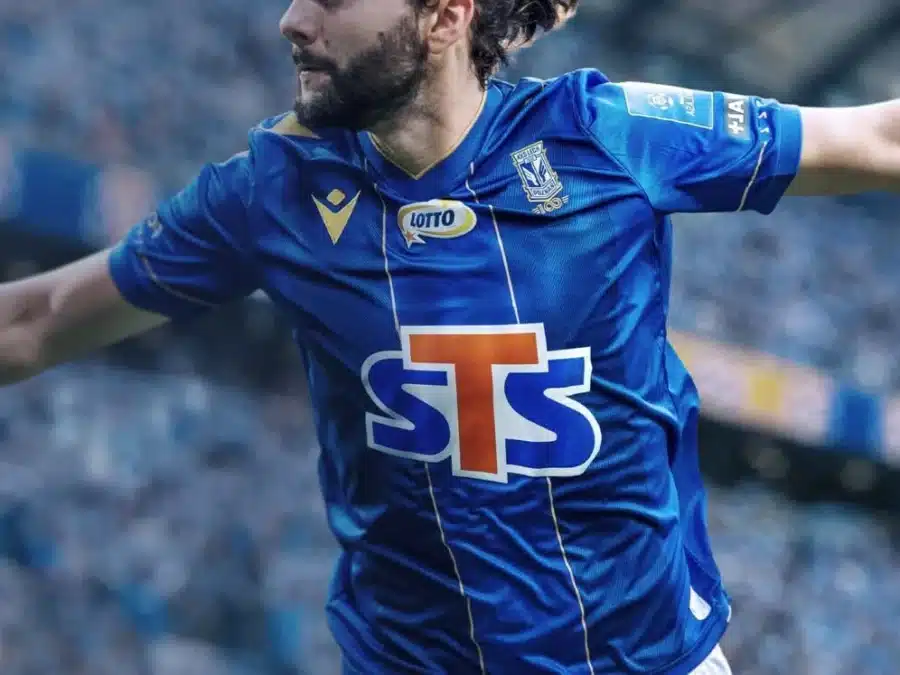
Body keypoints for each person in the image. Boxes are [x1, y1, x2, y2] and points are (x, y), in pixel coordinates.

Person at [2, 0, 899, 672]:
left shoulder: (608, 135)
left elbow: (878, 137)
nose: (291, 20)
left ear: (444, 16)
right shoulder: (270, 190)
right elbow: (34, 321)